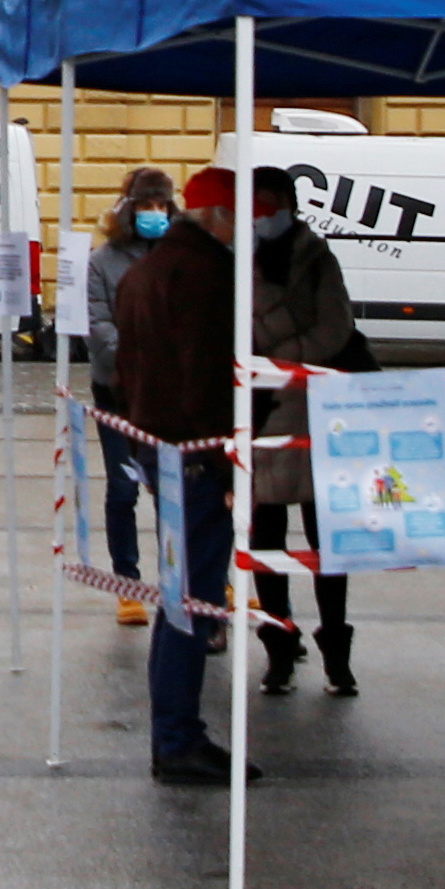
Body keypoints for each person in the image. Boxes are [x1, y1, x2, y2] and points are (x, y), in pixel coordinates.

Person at [112, 172, 254, 785]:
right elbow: (207, 377)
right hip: (195, 454)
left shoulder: (147, 268)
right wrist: (227, 463)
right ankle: (177, 736)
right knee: (190, 600)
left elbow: (129, 366)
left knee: (179, 598)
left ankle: (175, 732)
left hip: (159, 447)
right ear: (219, 216)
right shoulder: (207, 275)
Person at [245, 168, 374, 697]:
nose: (263, 215)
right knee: (267, 538)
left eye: (272, 205)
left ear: (291, 207)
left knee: (328, 541)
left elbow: (336, 326)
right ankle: (279, 645)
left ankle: (336, 653)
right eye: (256, 205)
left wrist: (285, 360)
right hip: (264, 412)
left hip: (321, 410)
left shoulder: (316, 256)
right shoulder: (237, 259)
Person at [79, 169, 182, 628]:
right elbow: (98, 324)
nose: (155, 215)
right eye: (146, 206)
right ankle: (127, 582)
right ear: (129, 209)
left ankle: (178, 577)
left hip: (170, 397)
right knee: (123, 487)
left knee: (171, 490)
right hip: (118, 390)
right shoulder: (104, 259)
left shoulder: (183, 256)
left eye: (162, 206)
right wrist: (138, 360)